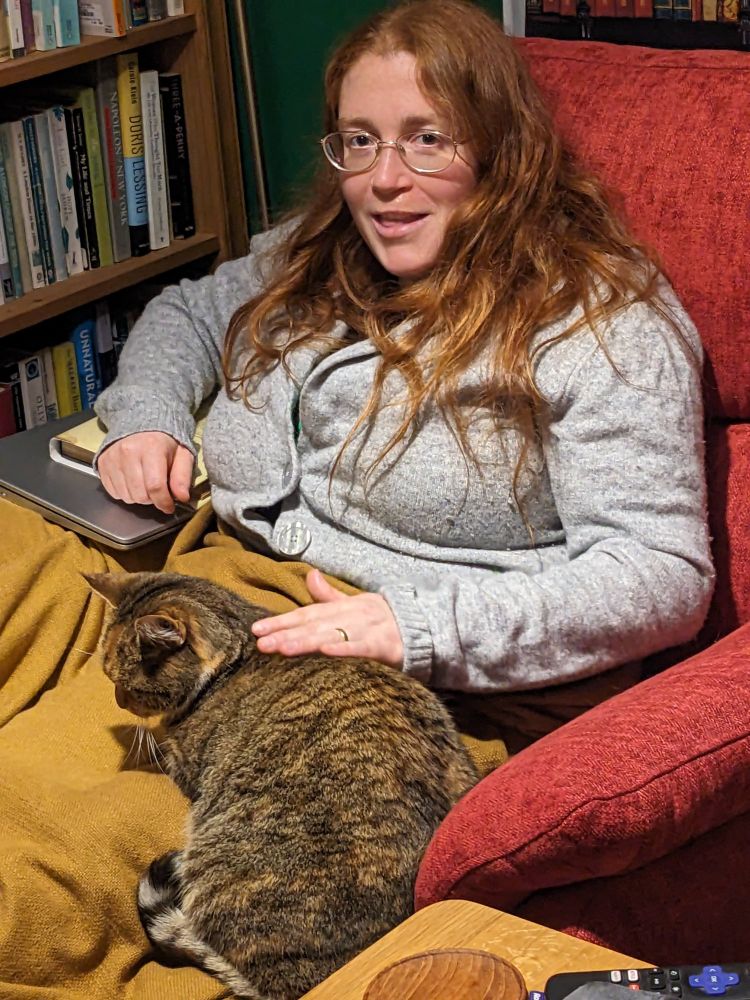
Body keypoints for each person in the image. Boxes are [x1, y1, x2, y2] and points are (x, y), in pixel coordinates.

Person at [0, 1, 713, 997]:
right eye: (361, 140)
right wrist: (150, 415)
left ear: (501, 147)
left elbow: (661, 576)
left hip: (388, 680)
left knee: (37, 841)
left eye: (428, 140)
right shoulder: (325, 245)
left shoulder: (599, 321)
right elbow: (189, 309)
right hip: (208, 565)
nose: (384, 179)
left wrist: (412, 627)